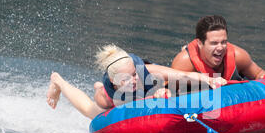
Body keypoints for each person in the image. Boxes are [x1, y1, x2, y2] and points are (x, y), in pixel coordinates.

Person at [46, 44, 227, 120]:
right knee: (91, 111)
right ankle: (58, 81)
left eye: (134, 75)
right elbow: (89, 109)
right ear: (114, 82)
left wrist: (206, 78)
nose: (133, 80)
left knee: (171, 85)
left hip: (147, 83)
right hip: (115, 92)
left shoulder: (144, 73)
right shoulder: (107, 96)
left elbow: (179, 75)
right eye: (127, 79)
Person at [171, 15, 265, 81]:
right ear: (200, 43)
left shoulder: (238, 56)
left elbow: (258, 74)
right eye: (214, 43)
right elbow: (166, 89)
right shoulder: (184, 62)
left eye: (224, 42)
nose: (220, 48)